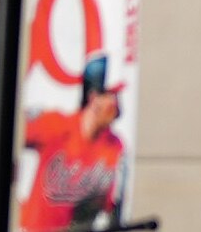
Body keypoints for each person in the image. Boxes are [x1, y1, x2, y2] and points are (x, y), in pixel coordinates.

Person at [17, 53, 129, 232]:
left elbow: (111, 210)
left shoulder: (115, 147)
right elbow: (9, 134)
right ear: (93, 98)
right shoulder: (56, 126)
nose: (116, 104)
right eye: (111, 96)